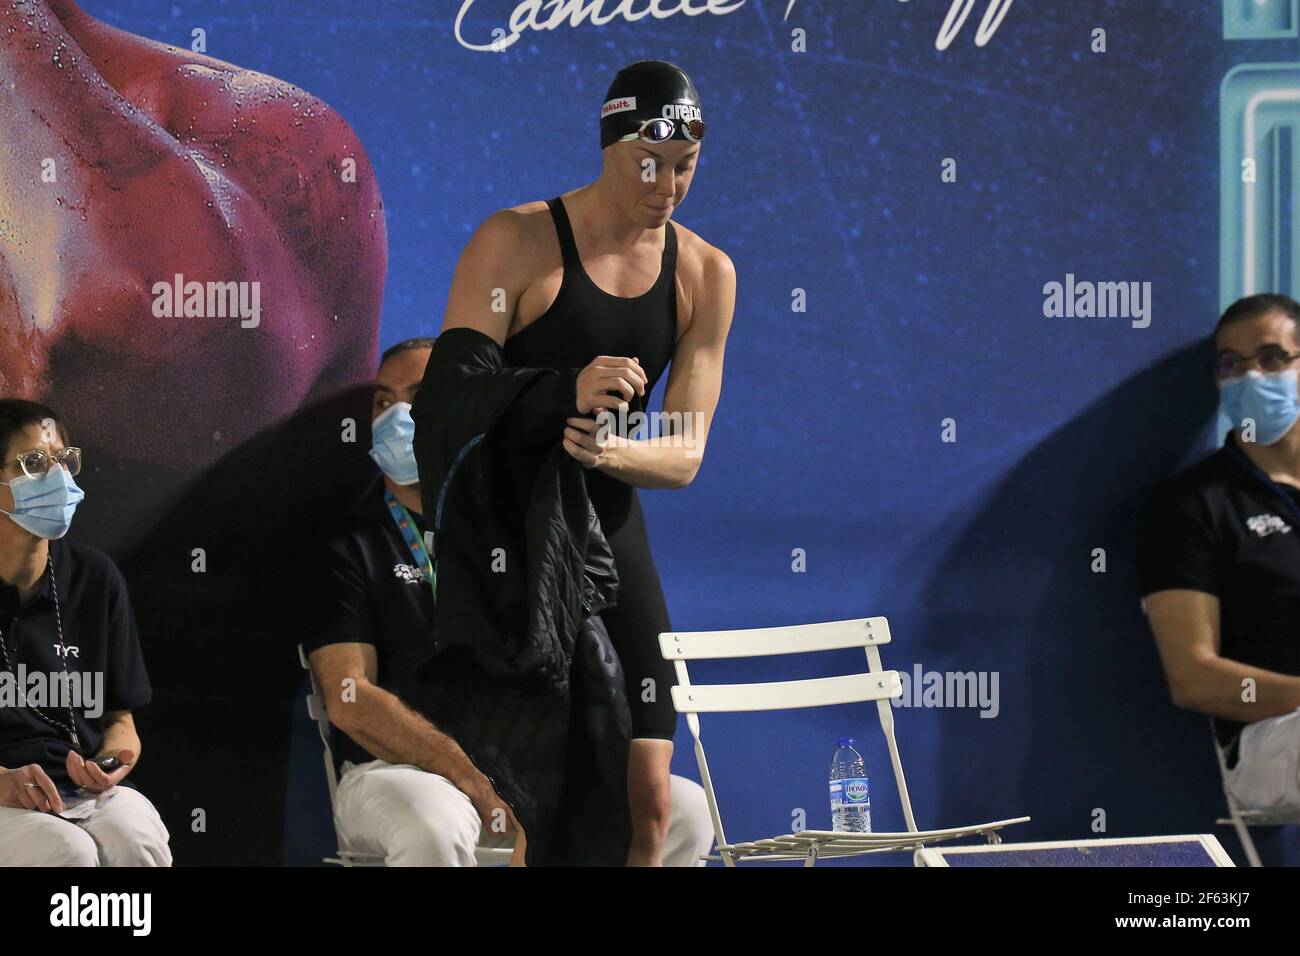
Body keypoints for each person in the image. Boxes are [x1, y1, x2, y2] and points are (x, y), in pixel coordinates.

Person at [435, 59, 736, 865]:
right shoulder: (518, 240)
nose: (667, 185)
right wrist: (565, 390)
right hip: (511, 538)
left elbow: (686, 454)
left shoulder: (705, 274)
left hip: (608, 528)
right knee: (526, 794)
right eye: (649, 162)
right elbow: (448, 401)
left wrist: (616, 449)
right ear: (609, 146)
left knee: (650, 791)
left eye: (684, 167)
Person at [305, 340, 717, 866]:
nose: (398, 416)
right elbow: (349, 697)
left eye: (419, 398)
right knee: (434, 817)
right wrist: (472, 775)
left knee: (681, 807)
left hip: (523, 759)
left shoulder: (515, 527)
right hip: (400, 773)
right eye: (383, 402)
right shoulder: (350, 542)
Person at [1139, 293, 1300, 813]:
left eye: (1272, 357)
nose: (1252, 376)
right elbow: (1193, 678)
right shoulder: (1193, 505)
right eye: (1231, 364)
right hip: (1271, 736)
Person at [0, 400, 171, 866]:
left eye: (63, 460)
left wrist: (110, 762)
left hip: (80, 788)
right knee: (66, 852)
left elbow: (121, 720)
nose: (56, 477)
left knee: (135, 839)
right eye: (33, 464)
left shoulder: (96, 578)